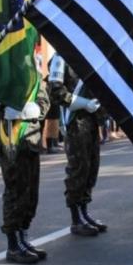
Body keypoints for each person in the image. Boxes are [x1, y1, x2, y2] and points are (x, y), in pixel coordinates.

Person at [47, 53, 108, 235]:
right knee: (78, 169)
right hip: (75, 120)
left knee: (91, 167)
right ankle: (76, 218)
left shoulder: (87, 52)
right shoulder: (60, 58)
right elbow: (56, 92)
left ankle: (84, 211)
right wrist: (83, 103)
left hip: (91, 118)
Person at [0, 82, 51, 263]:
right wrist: (1, 107)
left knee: (30, 194)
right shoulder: (4, 70)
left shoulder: (33, 74)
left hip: (31, 140)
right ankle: (13, 245)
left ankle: (23, 238)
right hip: (11, 140)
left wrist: (29, 110)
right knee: (15, 192)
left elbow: (44, 102)